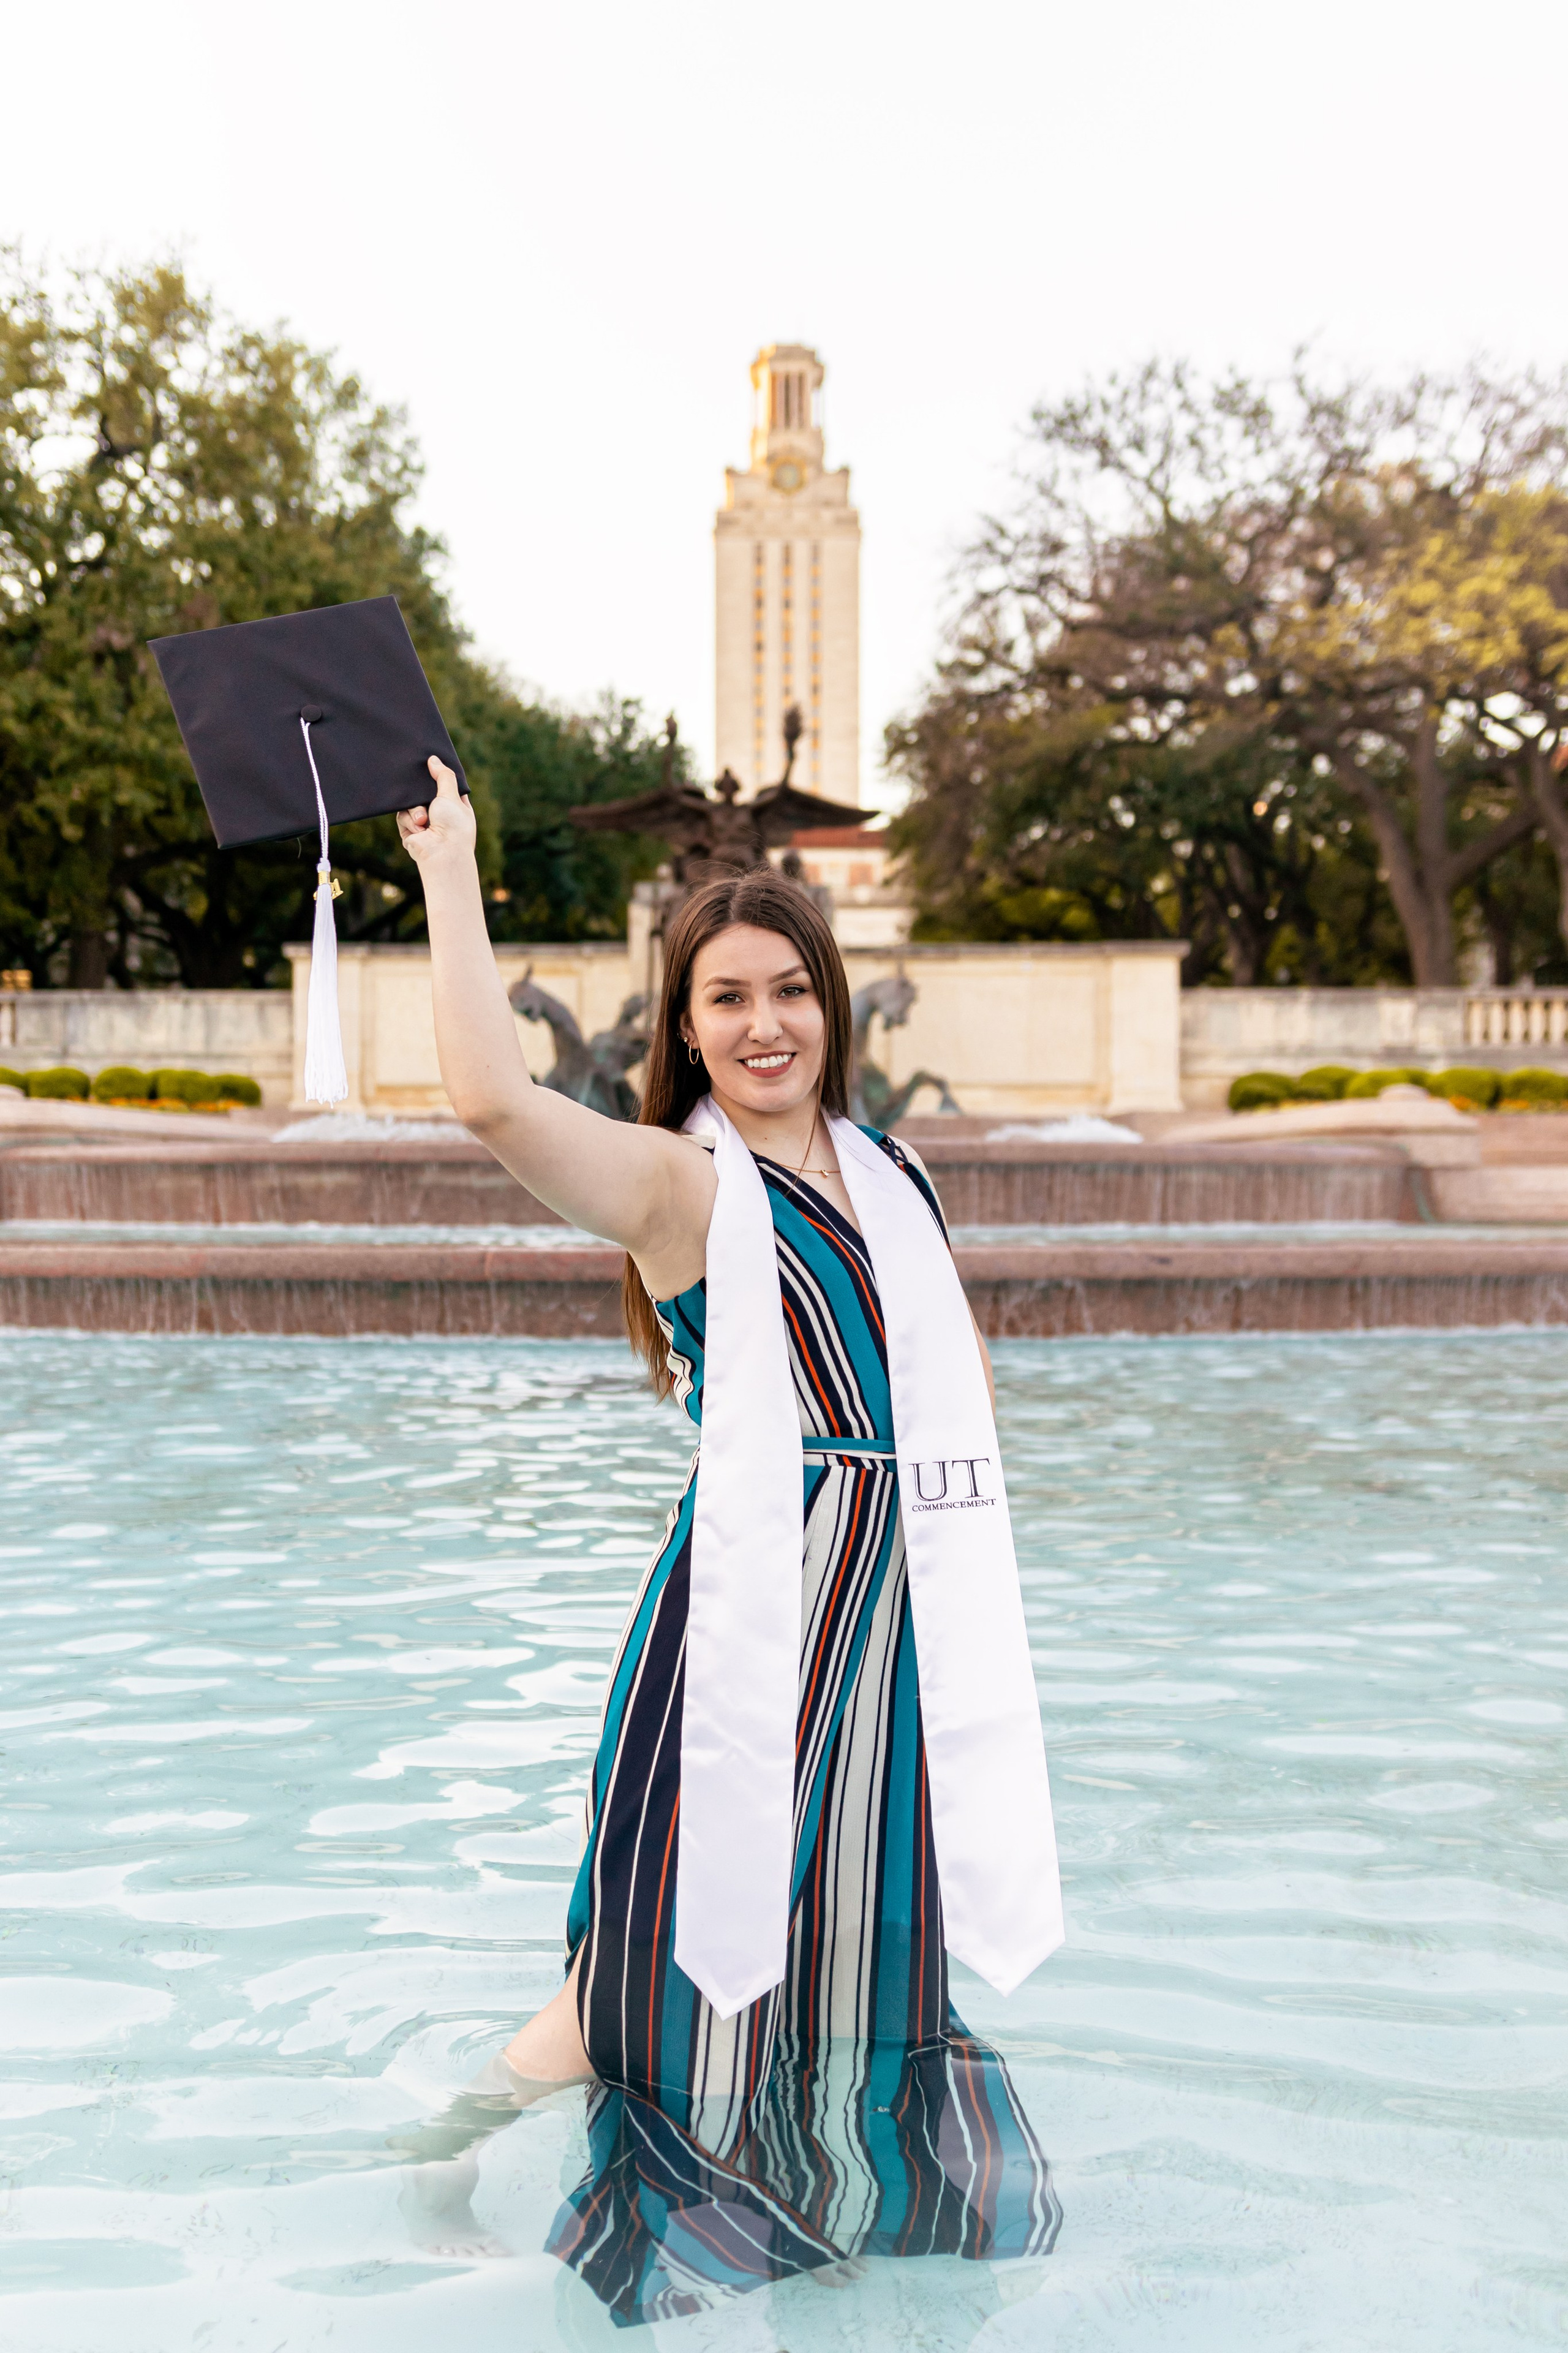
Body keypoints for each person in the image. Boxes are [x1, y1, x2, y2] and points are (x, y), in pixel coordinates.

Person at [397, 760, 1060, 2321]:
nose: (762, 1024)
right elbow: (493, 1100)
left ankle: (811, 2187)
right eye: (722, 1000)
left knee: (853, 1936)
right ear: (682, 1029)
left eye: (786, 990)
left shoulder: (895, 1180)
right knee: (639, 1963)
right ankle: (430, 2156)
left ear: (829, 1004)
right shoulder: (686, 1186)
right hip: (751, 1636)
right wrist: (449, 871)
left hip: (888, 1636)